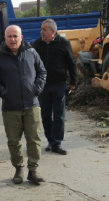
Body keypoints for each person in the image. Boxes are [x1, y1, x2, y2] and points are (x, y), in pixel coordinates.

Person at [0, 25, 47, 185]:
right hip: (10, 107)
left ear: (21, 37)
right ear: (5, 38)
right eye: (9, 36)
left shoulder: (31, 52)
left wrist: (36, 89)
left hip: (32, 105)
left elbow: (42, 72)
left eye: (16, 36)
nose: (13, 39)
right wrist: (3, 92)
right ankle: (19, 169)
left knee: (34, 139)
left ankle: (33, 170)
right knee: (14, 141)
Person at [32, 19, 77, 155]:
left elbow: (71, 63)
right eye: (41, 29)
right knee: (45, 115)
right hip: (42, 86)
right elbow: (31, 63)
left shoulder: (64, 43)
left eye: (44, 30)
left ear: (53, 31)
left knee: (58, 115)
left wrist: (74, 81)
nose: (41, 32)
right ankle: (50, 141)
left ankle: (56, 143)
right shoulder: (37, 44)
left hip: (59, 85)